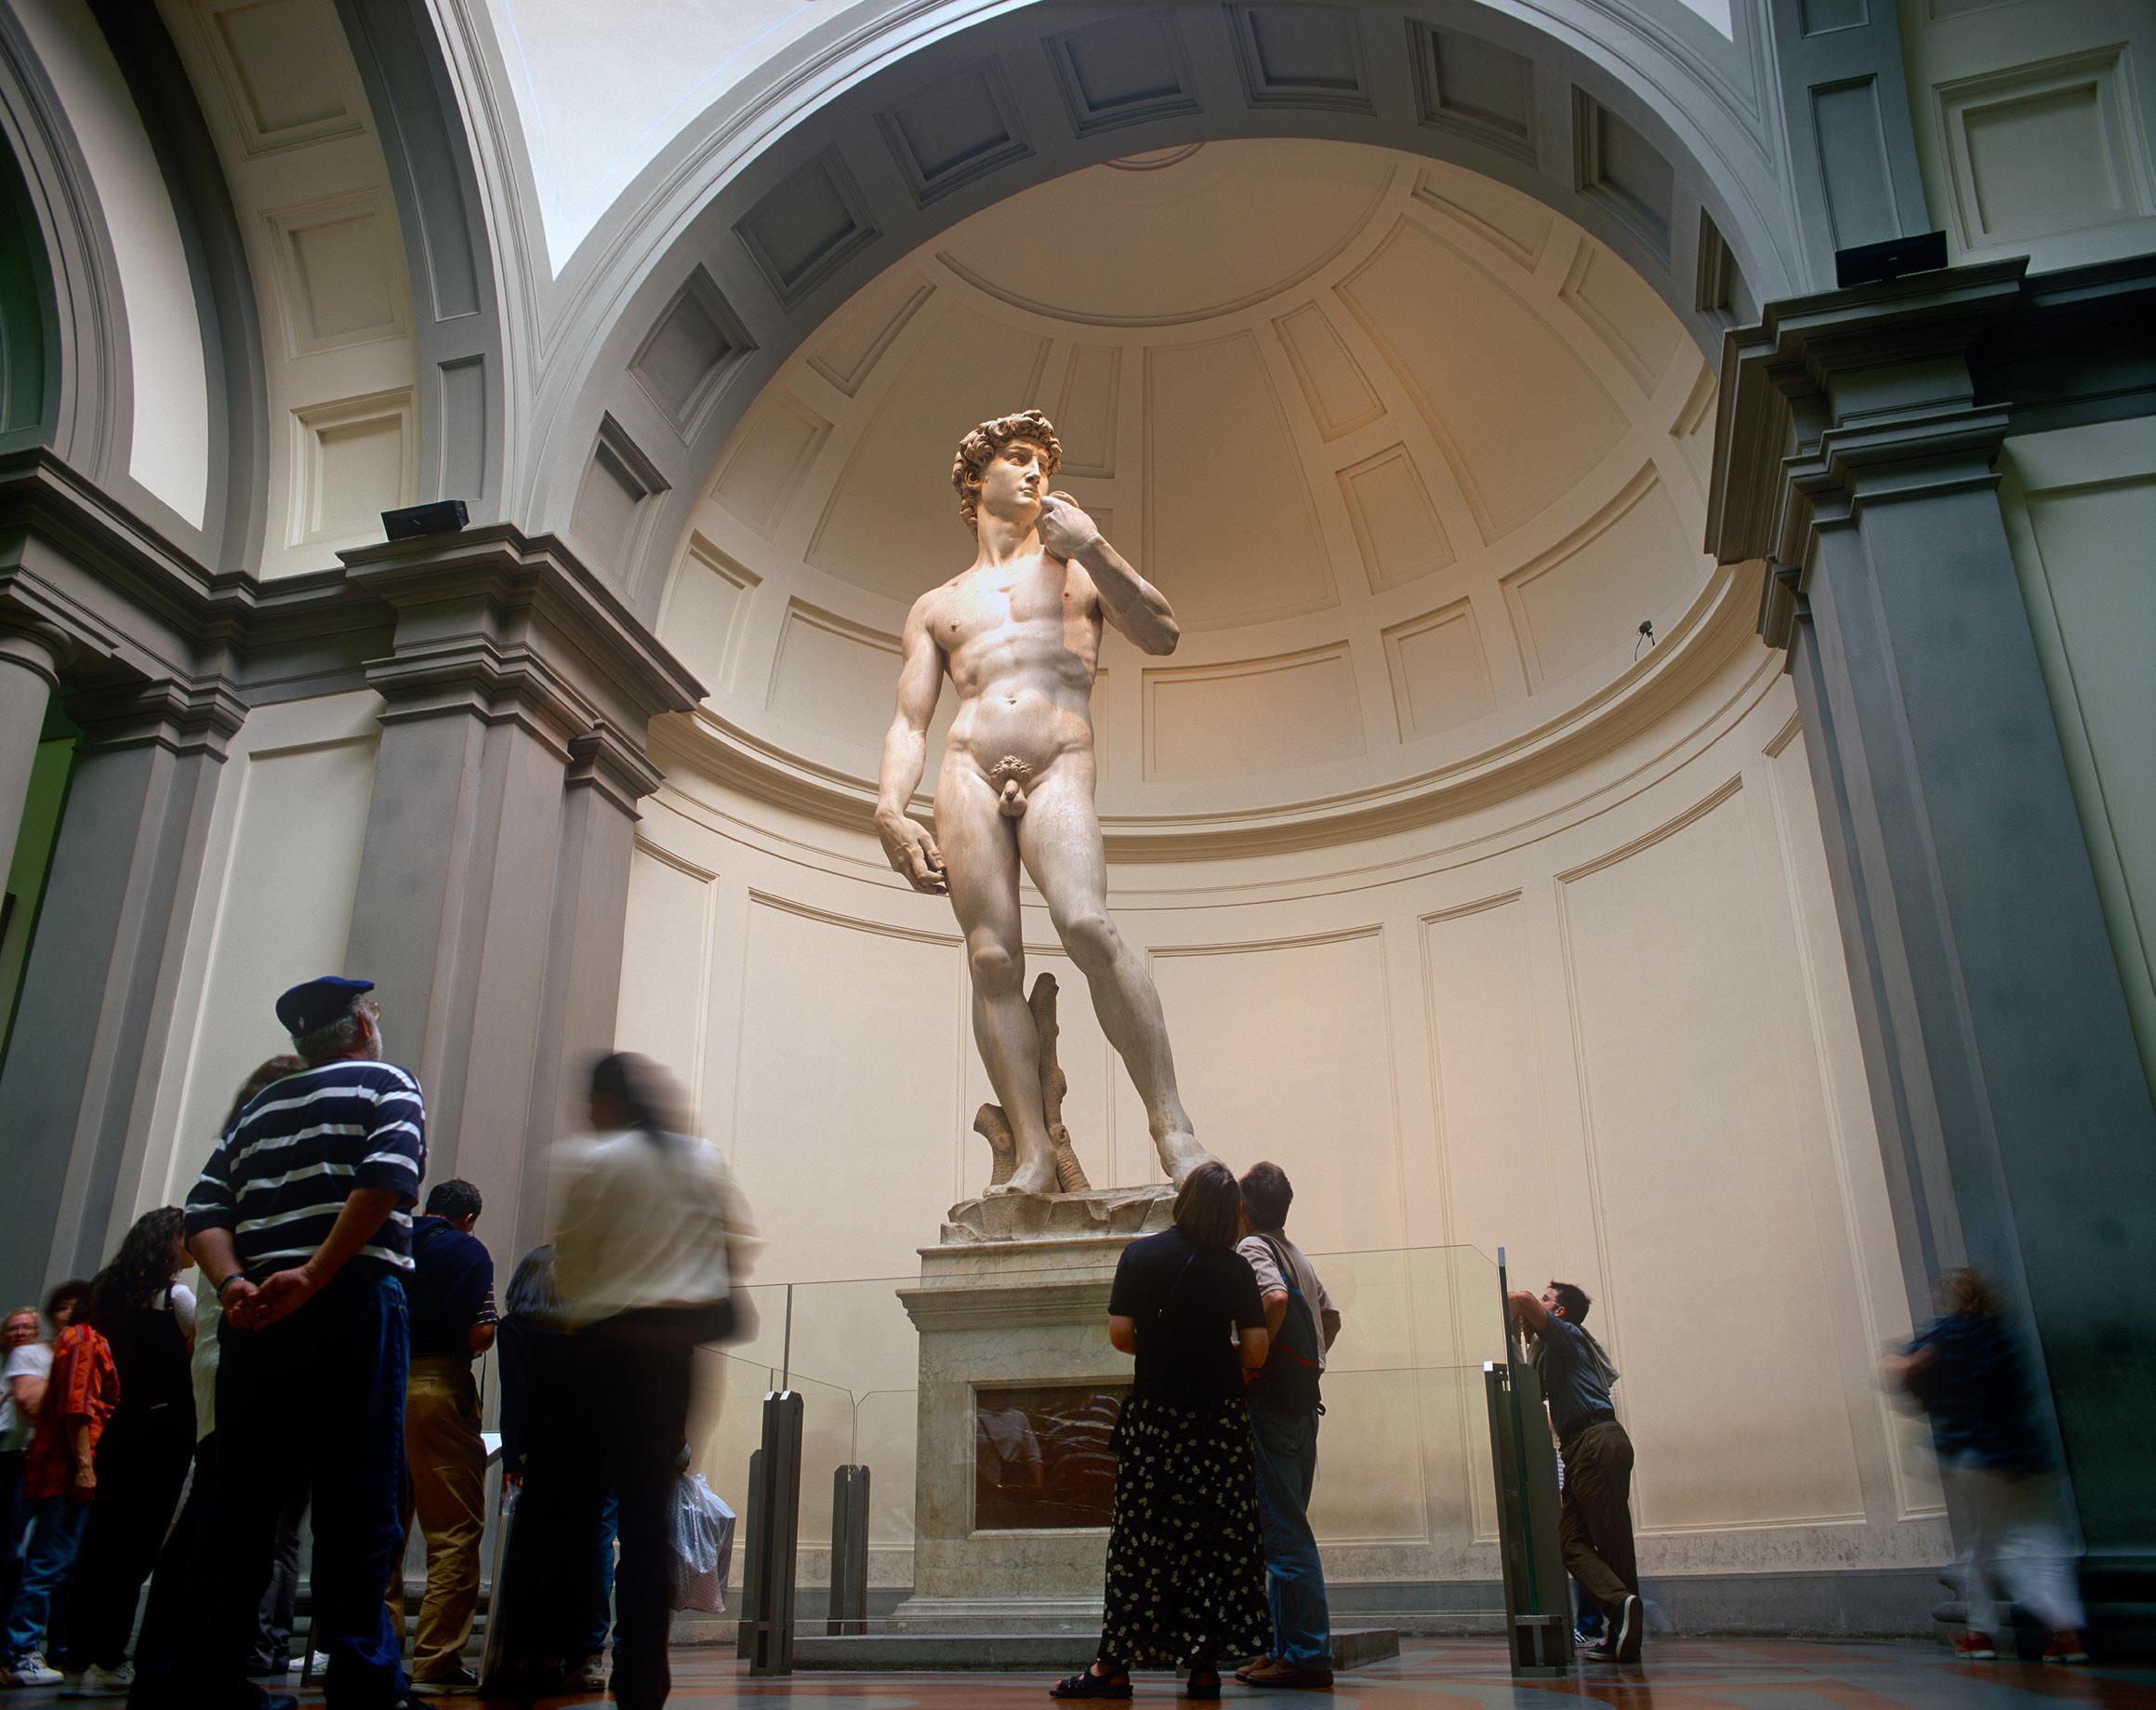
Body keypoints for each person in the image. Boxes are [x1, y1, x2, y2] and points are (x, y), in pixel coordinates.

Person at [875, 409, 1212, 1193]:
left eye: (1042, 464)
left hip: (1057, 759)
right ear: (975, 478)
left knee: (1087, 924)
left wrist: (1092, 544)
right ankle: (1032, 1149)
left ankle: (1172, 1128)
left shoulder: (1077, 567)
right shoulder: (937, 604)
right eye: (1020, 458)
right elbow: (909, 721)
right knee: (990, 958)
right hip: (966, 768)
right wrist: (889, 807)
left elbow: (1161, 633)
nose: (1036, 473)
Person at [158, 975, 426, 1710]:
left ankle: (213, 1679)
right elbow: (384, 1182)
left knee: (242, 1502)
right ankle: (362, 1679)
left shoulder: (259, 1107)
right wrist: (312, 1274)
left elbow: (204, 1208)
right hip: (352, 1305)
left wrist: (233, 1282)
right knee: (359, 1498)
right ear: (363, 1026)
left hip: (258, 1320)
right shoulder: (388, 1083)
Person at [528, 1053, 750, 1710]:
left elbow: (571, 1265)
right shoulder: (700, 1159)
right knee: (648, 1524)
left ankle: (554, 1656)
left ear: (605, 1102)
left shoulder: (595, 1159)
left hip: (602, 1354)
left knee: (572, 1516)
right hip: (673, 1361)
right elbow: (735, 1249)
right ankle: (643, 1676)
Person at [125, 1057, 310, 1707]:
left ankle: (170, 1666)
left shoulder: (231, 1166)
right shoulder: (257, 1168)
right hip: (240, 1360)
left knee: (217, 1518)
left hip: (225, 1359)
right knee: (232, 1528)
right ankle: (204, 1671)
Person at [1055, 1160, 1272, 1702]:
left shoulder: (1141, 1255)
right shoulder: (1236, 1270)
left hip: (1157, 1421)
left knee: (1140, 1544)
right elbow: (1255, 1351)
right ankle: (1203, 1667)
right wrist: (1213, 1353)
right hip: (1218, 1427)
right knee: (1212, 1544)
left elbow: (1120, 1334)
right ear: (1230, 1214)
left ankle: (1113, 1667)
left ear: (1185, 1200)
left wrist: (1164, 1347)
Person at [1886, 1268, 2087, 1664]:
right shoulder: (2002, 1334)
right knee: (2038, 1541)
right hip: (2023, 1451)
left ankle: (2015, 1629)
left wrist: (1909, 1369)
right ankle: (2051, 1633)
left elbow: (1901, 1370)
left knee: (1996, 1546)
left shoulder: (1948, 1333)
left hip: (1974, 1453)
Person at [59, 1210, 199, 1694]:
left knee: (98, 1545)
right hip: (164, 1431)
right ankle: (110, 1654)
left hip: (114, 1426)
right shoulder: (177, 1298)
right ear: (170, 1241)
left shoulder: (105, 1293)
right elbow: (194, 1360)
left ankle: (76, 1654)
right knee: (137, 1549)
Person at [1231, 1162, 1342, 1690]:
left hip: (1271, 1405)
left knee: (1284, 1533)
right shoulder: (1297, 1254)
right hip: (1301, 1405)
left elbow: (1274, 1299)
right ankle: (1283, 1648)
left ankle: (1306, 1654)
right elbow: (1331, 1319)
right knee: (1284, 1529)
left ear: (1243, 1208)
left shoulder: (1253, 1247)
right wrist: (1308, 1365)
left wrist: (1254, 1360)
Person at [387, 1179, 497, 1696]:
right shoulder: (468, 1252)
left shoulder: (389, 1236)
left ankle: (378, 1650)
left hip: (382, 1385)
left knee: (384, 1527)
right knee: (454, 1528)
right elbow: (481, 1331)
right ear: (468, 1218)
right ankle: (435, 1659)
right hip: (437, 1386)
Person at [489, 1246, 614, 1698]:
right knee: (578, 1556)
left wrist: (514, 1459)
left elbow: (516, 1396)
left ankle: (522, 1655)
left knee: (531, 1556)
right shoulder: (583, 1327)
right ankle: (564, 1656)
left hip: (541, 1455)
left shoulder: (514, 1328)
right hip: (588, 1453)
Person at [1508, 1279, 1640, 1664]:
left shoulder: (1566, 1335)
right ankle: (1623, 1623)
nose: (1541, 1301)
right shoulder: (1556, 1350)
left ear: (1561, 1311)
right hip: (1587, 1444)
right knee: (1572, 1543)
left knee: (1610, 1545)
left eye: (1548, 1299)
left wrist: (1511, 1313)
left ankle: (1621, 1615)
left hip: (1593, 1442)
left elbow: (1520, 1299)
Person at [1, 1279, 118, 1688]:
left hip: (56, 1465)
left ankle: (23, 1650)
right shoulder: (84, 1340)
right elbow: (77, 1407)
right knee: (48, 1563)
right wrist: (84, 1467)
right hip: (64, 1469)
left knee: (47, 1563)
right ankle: (20, 1652)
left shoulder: (72, 1341)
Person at [0, 1303, 52, 1621]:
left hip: (26, 1457)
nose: (20, 1333)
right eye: (13, 1328)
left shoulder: (45, 1363)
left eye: (27, 1327)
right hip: (4, 1454)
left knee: (16, 1543)